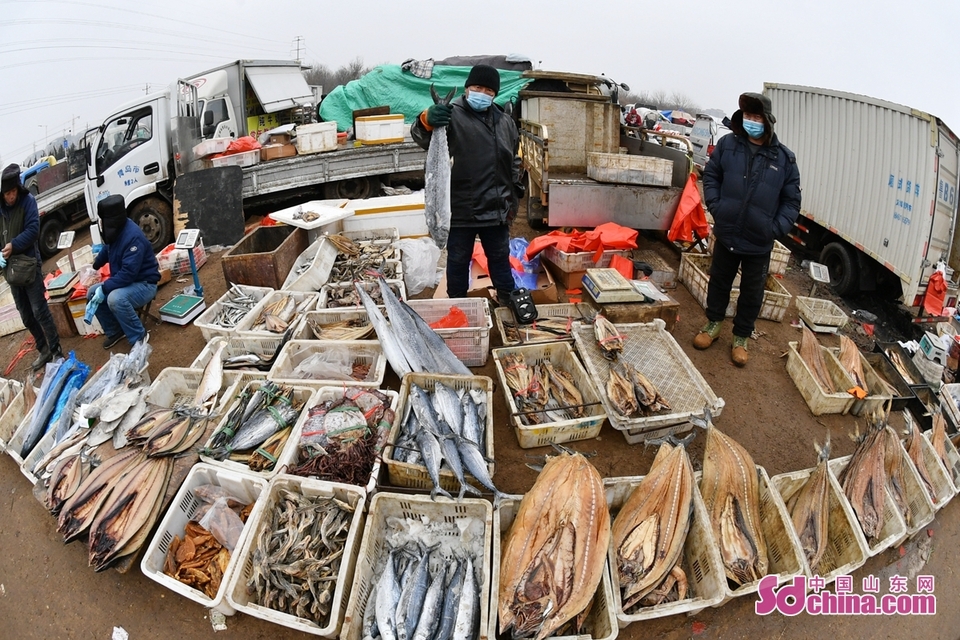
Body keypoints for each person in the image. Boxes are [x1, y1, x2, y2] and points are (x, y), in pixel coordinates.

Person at [694, 92, 801, 366]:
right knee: (719, 281)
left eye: (757, 117)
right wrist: (716, 205)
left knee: (752, 293)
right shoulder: (728, 145)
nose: (752, 121)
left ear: (767, 121)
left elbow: (792, 201)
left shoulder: (784, 159)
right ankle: (713, 325)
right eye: (748, 116)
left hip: (759, 240)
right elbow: (712, 175)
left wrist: (774, 228)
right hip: (728, 230)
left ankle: (741, 337)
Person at [410, 63, 524, 303]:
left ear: (495, 94)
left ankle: (506, 300)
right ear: (468, 87)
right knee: (458, 261)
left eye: (489, 91)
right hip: (461, 207)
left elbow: (513, 158)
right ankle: (458, 304)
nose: (483, 93)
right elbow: (422, 137)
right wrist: (426, 121)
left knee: (500, 261)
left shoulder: (505, 122)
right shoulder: (451, 114)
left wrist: (515, 193)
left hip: (496, 207)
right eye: (477, 87)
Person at [0, 164, 63, 370]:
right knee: (26, 315)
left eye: (13, 192)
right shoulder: (0, 208)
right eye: (7, 193)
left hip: (29, 265)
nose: (11, 197)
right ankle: (43, 350)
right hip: (11, 270)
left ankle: (56, 350)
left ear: (18, 188)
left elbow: (33, 230)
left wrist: (13, 245)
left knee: (40, 311)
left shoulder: (28, 202)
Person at [86, 195, 160, 349]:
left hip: (145, 284)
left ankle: (139, 337)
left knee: (115, 298)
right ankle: (115, 331)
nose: (102, 224)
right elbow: (108, 248)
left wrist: (105, 287)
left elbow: (128, 274)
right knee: (92, 293)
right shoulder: (116, 231)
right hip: (127, 283)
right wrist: (95, 265)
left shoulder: (133, 237)